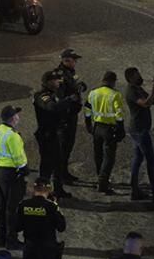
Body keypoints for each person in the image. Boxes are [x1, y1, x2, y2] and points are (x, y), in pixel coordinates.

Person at [0, 105, 29, 248]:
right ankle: (11, 240)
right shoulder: (13, 136)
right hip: (11, 173)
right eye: (17, 115)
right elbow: (18, 156)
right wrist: (24, 169)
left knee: (0, 206)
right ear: (13, 118)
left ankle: (1, 236)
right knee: (11, 208)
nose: (18, 117)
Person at [124, 67, 154, 202]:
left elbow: (151, 100)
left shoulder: (137, 89)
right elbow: (146, 103)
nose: (140, 76)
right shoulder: (131, 91)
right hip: (139, 130)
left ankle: (135, 190)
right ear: (131, 77)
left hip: (139, 129)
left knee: (138, 159)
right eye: (137, 75)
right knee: (151, 159)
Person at [32, 71, 72, 198]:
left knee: (58, 163)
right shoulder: (42, 96)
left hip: (53, 133)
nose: (58, 82)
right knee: (46, 166)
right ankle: (41, 194)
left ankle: (58, 189)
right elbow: (52, 107)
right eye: (55, 80)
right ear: (48, 82)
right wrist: (68, 101)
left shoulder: (52, 94)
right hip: (46, 134)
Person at [86, 70, 126, 195]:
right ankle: (103, 182)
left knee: (98, 154)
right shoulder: (115, 95)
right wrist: (121, 128)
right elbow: (119, 114)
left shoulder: (93, 93)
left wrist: (88, 125)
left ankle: (100, 177)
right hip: (109, 128)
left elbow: (87, 109)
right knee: (109, 157)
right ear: (113, 82)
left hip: (97, 127)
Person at [50, 49, 85, 183]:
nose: (75, 62)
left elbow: (77, 84)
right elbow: (59, 99)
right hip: (64, 117)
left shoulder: (71, 73)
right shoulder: (60, 75)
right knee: (63, 147)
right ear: (65, 60)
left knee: (68, 145)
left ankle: (63, 172)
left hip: (71, 115)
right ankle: (59, 175)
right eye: (73, 60)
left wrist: (81, 87)